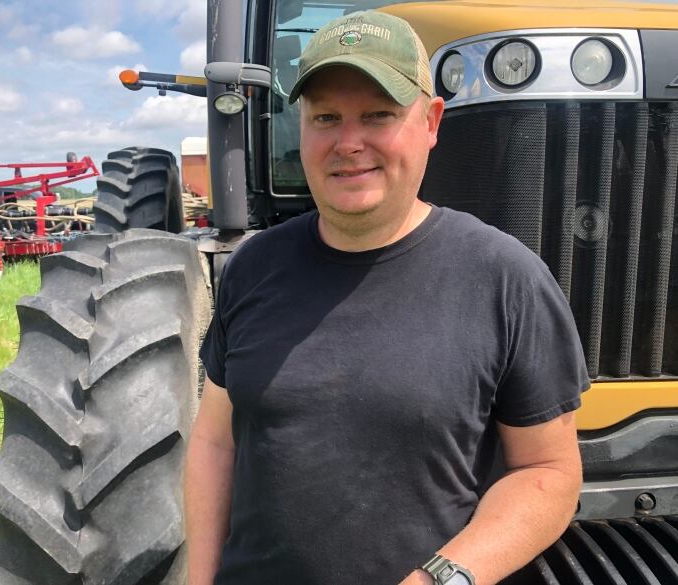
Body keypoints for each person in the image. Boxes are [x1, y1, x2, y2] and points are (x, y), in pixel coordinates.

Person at [185, 10, 589, 585]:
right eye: (326, 117)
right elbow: (214, 442)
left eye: (378, 115)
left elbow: (548, 471)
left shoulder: (505, 279)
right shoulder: (254, 266)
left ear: (431, 122)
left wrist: (441, 578)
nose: (349, 143)